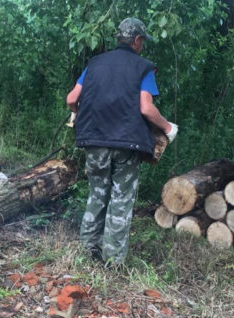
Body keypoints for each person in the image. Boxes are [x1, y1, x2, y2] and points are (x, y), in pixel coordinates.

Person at [66, 18, 178, 265]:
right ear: (137, 40)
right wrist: (168, 128)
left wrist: (79, 112)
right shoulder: (143, 67)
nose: (143, 46)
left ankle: (88, 251)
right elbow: (146, 108)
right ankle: (113, 260)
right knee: (121, 198)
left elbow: (72, 98)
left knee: (97, 193)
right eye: (142, 42)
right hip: (126, 143)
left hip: (93, 140)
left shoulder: (94, 63)